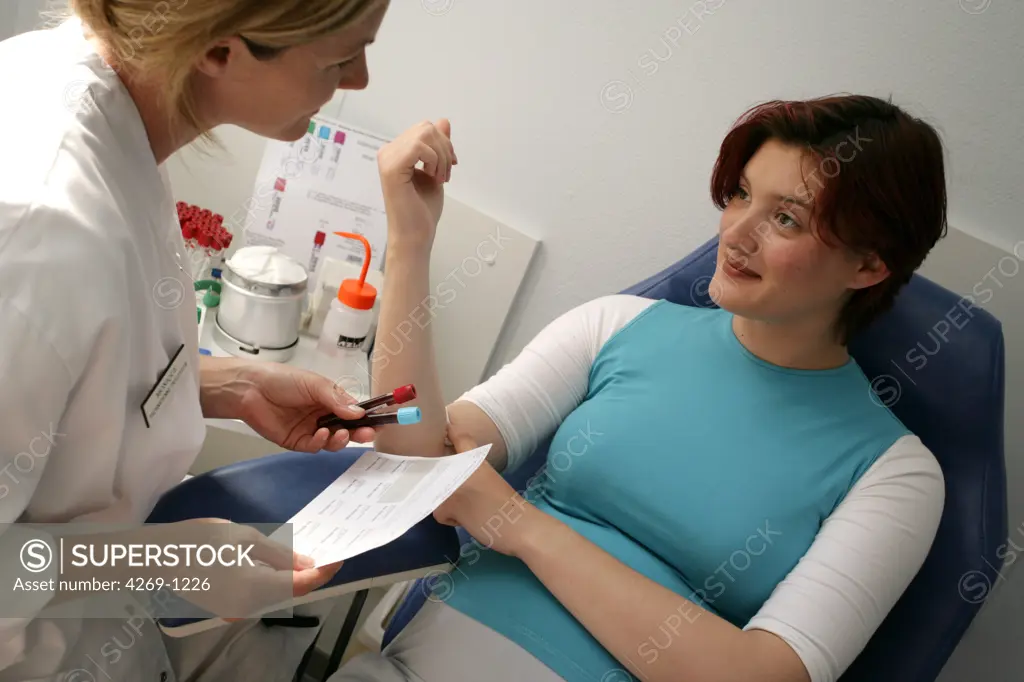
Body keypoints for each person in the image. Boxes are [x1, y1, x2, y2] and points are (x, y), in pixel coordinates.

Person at [327, 94, 948, 682]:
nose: (734, 233)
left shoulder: (895, 474)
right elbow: (415, 459)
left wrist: (520, 526)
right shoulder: (618, 325)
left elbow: (762, 674)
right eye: (740, 195)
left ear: (869, 266)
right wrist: (411, 244)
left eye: (786, 218)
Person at [0, 1, 399, 680]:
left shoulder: (102, 102)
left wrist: (231, 384)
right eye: (339, 59)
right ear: (218, 50)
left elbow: (79, 373)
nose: (359, 79)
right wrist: (167, 559)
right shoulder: (39, 235)